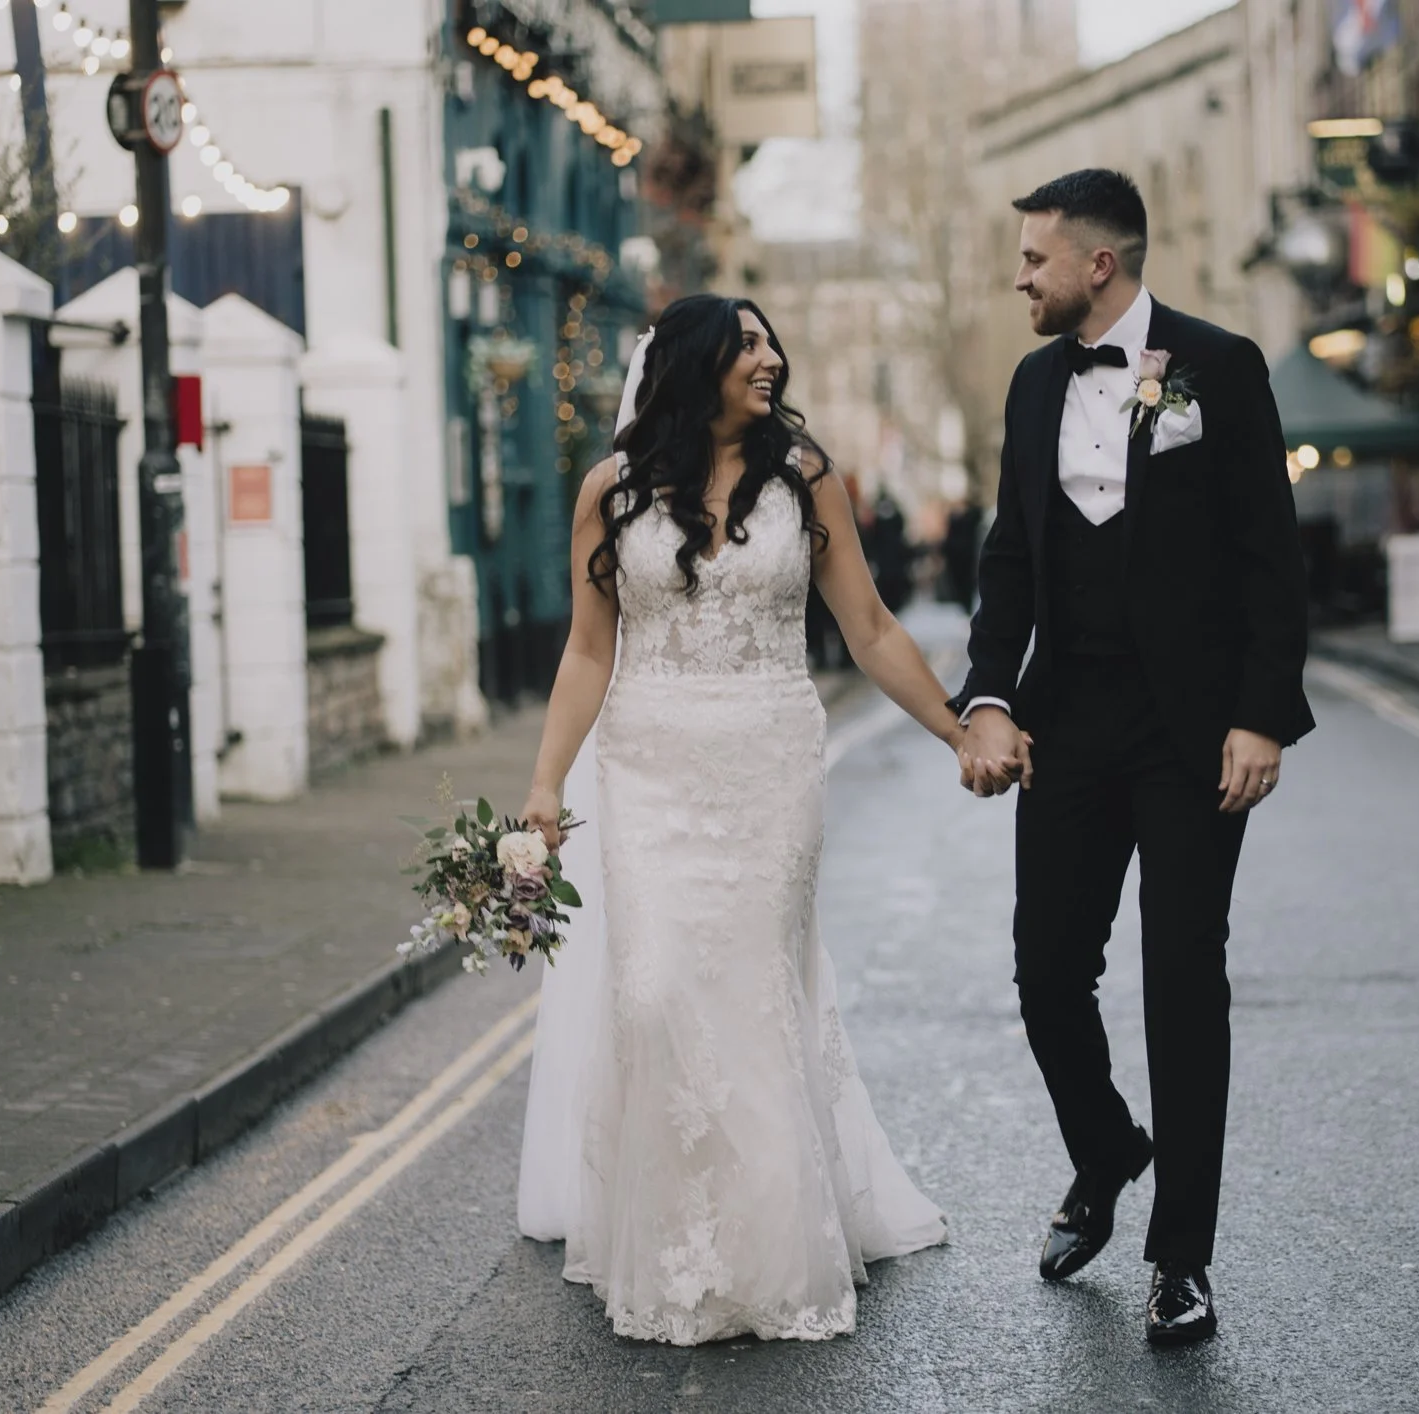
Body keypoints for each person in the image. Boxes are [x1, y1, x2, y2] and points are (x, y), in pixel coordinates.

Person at [513, 294, 1008, 1345]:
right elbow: (588, 650)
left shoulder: (805, 480)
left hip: (770, 762)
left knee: (752, 992)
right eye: (746, 344)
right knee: (651, 994)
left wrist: (958, 727)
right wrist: (547, 785)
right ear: (697, 364)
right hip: (645, 765)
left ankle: (769, 1251)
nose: (769, 357)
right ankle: (677, 1246)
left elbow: (869, 628)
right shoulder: (610, 491)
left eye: (771, 338)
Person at [951, 170, 1315, 1346]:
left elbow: (1271, 555)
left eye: (1033, 259)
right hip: (1069, 720)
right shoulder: (1030, 382)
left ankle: (1182, 1259)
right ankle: (1107, 1146)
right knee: (1047, 970)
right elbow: (1012, 555)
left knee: (1180, 980)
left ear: (1096, 264)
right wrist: (991, 697)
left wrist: (1261, 714)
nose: (1020, 277)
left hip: (1193, 731)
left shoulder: (1223, 365)